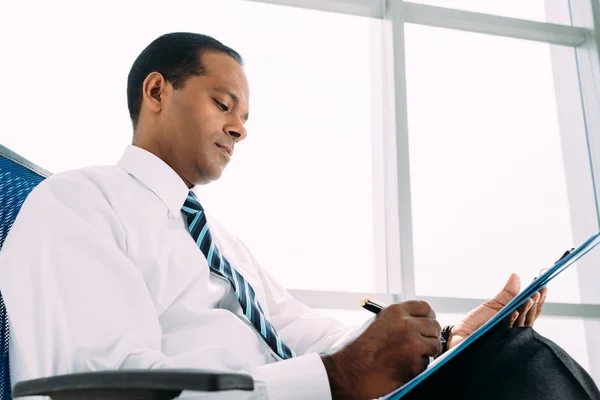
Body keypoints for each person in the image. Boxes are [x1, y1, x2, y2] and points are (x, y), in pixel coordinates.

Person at [0, 32, 598, 400]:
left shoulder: (222, 245)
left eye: (246, 117)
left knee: (501, 358)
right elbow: (108, 390)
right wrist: (334, 381)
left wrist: (443, 344)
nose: (238, 127)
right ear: (156, 92)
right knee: (520, 370)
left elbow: (305, 332)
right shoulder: (75, 206)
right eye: (222, 103)